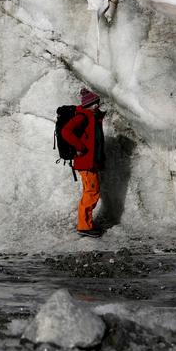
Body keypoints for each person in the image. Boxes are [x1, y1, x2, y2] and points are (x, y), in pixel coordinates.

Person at [60, 88, 106, 238]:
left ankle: (86, 223)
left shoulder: (92, 116)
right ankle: (84, 226)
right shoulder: (83, 116)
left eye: (97, 102)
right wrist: (79, 147)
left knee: (90, 192)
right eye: (93, 103)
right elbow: (66, 131)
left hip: (90, 163)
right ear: (87, 105)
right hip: (85, 163)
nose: (96, 105)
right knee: (91, 193)